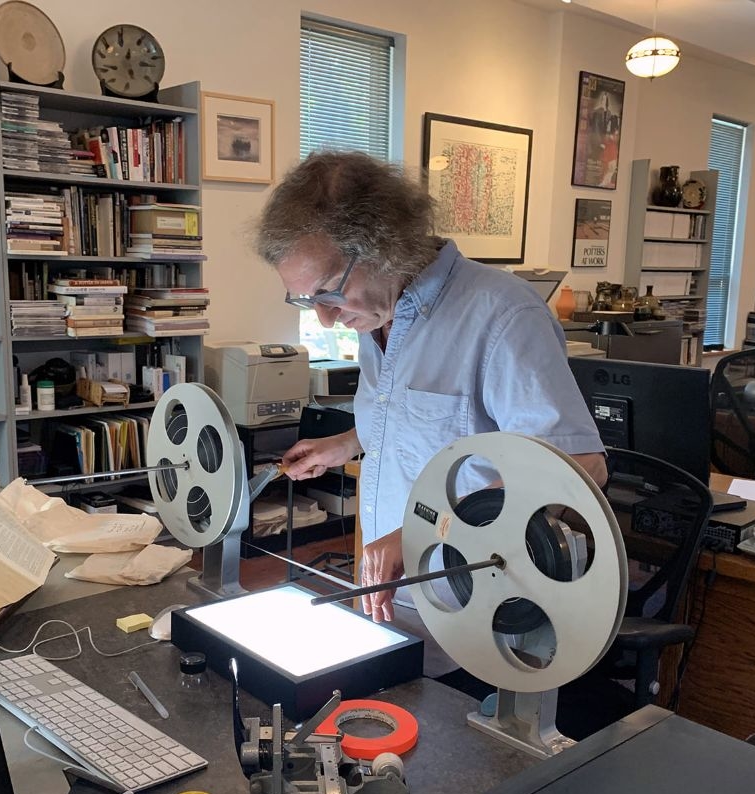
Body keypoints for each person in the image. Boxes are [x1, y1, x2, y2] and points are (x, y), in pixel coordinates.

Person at [254, 151, 606, 626]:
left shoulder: (502, 315)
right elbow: (436, 423)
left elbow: (579, 466)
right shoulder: (374, 317)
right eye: (306, 300)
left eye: (328, 292)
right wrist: (346, 443)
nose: (325, 317)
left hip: (476, 605)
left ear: (384, 248)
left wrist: (420, 533)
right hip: (394, 598)